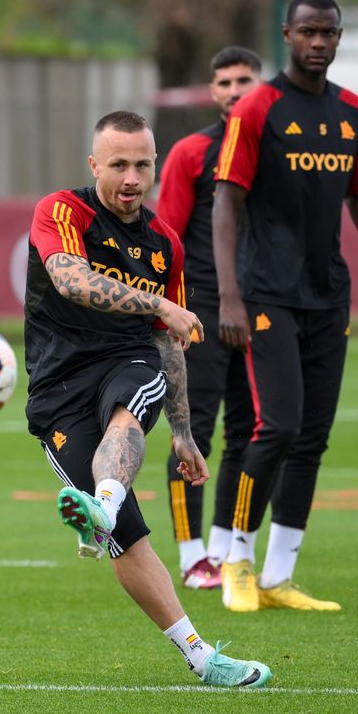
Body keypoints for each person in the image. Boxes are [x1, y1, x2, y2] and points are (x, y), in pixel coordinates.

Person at [24, 110, 271, 687]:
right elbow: (69, 278)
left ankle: (102, 506)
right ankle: (199, 655)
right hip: (56, 388)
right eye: (118, 165)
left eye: (142, 164)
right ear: (94, 165)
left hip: (126, 362)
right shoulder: (62, 211)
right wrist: (158, 303)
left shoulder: (165, 244)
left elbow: (168, 344)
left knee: (130, 403)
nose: (132, 178)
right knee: (126, 538)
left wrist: (183, 432)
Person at [212, 0, 358, 613]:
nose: (320, 42)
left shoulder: (354, 111)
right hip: (266, 293)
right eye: (308, 32)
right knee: (276, 426)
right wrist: (229, 295)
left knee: (312, 437)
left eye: (329, 33)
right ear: (287, 34)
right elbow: (227, 201)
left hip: (329, 296)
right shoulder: (258, 108)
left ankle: (279, 578)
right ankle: (237, 562)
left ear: (339, 36)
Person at [156, 46, 263, 592]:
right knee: (191, 430)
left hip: (262, 312)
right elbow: (166, 237)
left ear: (261, 83)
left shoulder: (275, 149)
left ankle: (224, 549)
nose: (235, 89)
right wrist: (171, 314)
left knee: (251, 431)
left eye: (245, 78)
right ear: (213, 89)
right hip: (199, 313)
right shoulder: (191, 152)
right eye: (225, 81)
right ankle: (190, 553)